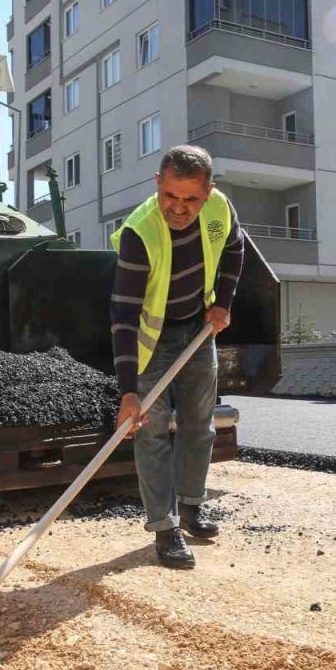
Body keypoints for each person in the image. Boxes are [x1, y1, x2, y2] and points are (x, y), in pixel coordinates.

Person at [109, 145, 244, 569]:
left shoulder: (220, 209)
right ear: (157, 186)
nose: (179, 209)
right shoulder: (139, 234)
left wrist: (222, 302)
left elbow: (236, 250)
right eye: (170, 196)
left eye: (190, 199)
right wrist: (128, 393)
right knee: (150, 433)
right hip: (153, 339)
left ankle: (190, 506)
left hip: (198, 332)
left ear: (208, 193)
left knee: (199, 427)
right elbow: (124, 315)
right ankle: (164, 529)